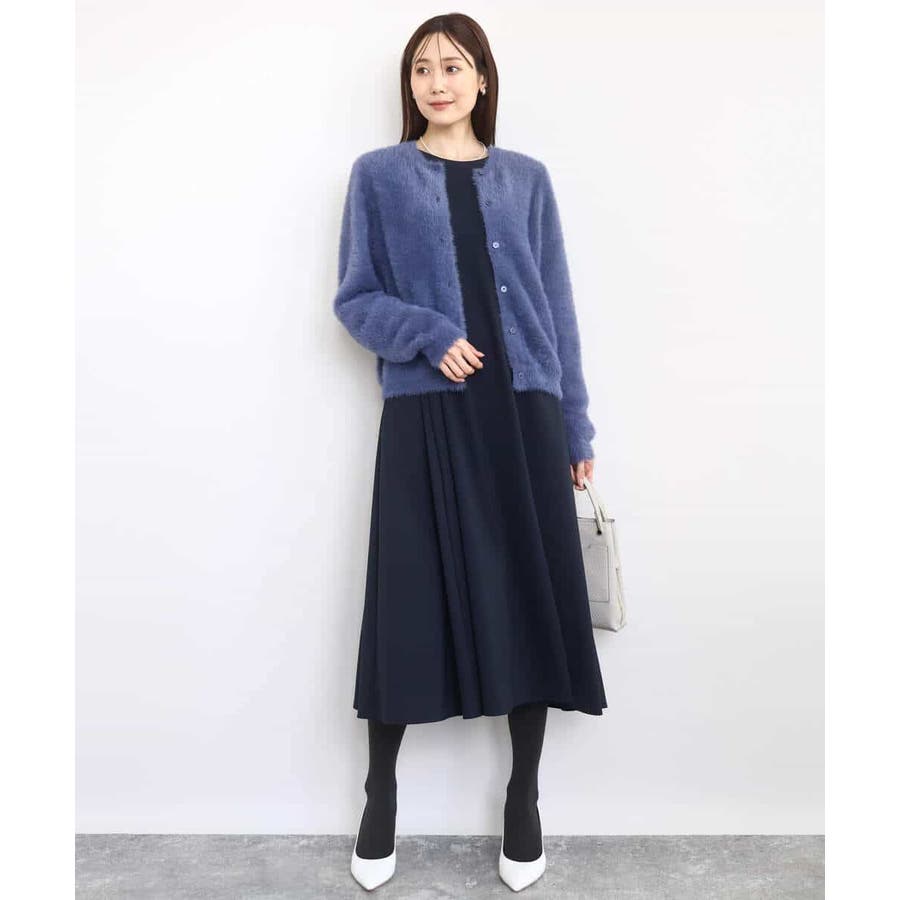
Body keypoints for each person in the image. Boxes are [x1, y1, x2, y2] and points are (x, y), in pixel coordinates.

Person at [333, 13, 608, 892]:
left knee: (529, 593)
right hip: (428, 413)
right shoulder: (378, 176)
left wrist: (575, 427)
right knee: (407, 597)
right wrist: (427, 333)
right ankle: (380, 796)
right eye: (422, 69)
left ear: (483, 78)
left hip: (523, 412)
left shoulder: (527, 179)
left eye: (453, 66)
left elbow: (556, 307)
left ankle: (523, 798)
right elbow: (355, 297)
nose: (437, 82)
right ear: (409, 85)